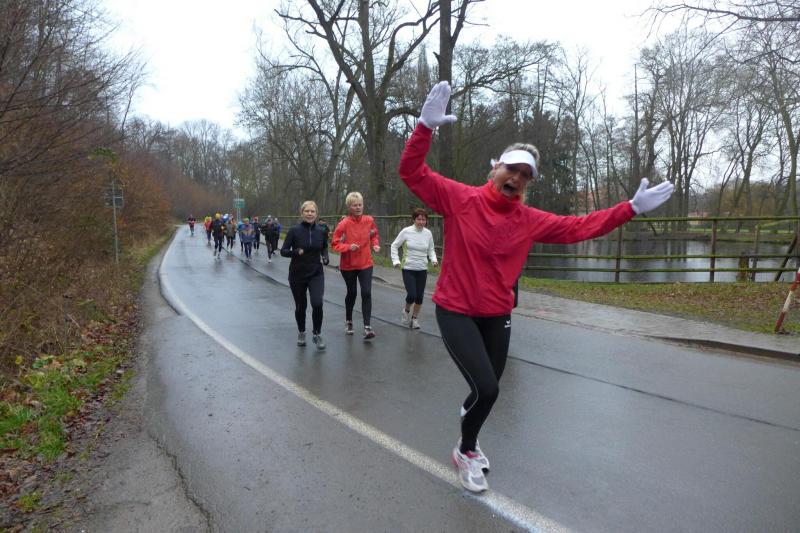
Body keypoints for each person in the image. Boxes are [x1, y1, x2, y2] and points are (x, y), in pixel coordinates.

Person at [398, 81, 675, 493]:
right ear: (495, 168)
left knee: (487, 391)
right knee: (487, 388)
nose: (516, 178)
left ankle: (468, 433)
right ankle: (467, 450)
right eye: (512, 169)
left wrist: (630, 209)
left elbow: (581, 227)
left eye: (525, 175)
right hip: (456, 309)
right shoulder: (460, 199)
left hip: (497, 314)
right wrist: (424, 128)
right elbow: (411, 173)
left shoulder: (529, 220)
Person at [280, 201, 330, 350]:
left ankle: (317, 334)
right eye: (307, 211)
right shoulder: (294, 230)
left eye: (312, 211)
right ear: (302, 213)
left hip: (316, 273)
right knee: (301, 306)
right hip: (297, 274)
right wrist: (296, 252)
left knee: (317, 303)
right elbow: (283, 251)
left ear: (316, 214)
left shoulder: (321, 231)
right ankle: (301, 332)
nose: (310, 213)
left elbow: (324, 247)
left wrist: (325, 257)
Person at [331, 192, 380, 339]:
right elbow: (335, 243)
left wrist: (375, 244)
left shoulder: (369, 220)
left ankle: (367, 327)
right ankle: (349, 321)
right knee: (352, 293)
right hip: (349, 265)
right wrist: (347, 247)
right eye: (355, 205)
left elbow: (374, 234)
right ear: (349, 207)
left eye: (360, 205)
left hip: (366, 263)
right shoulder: (343, 224)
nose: (358, 207)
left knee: (366, 292)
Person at [390, 207, 438, 329]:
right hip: (408, 268)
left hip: (422, 269)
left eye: (423, 220)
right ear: (413, 219)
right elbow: (394, 245)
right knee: (412, 294)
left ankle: (414, 319)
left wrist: (433, 259)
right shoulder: (406, 231)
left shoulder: (428, 233)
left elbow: (431, 249)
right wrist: (396, 260)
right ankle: (406, 310)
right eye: (419, 219)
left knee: (419, 297)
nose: (421, 222)